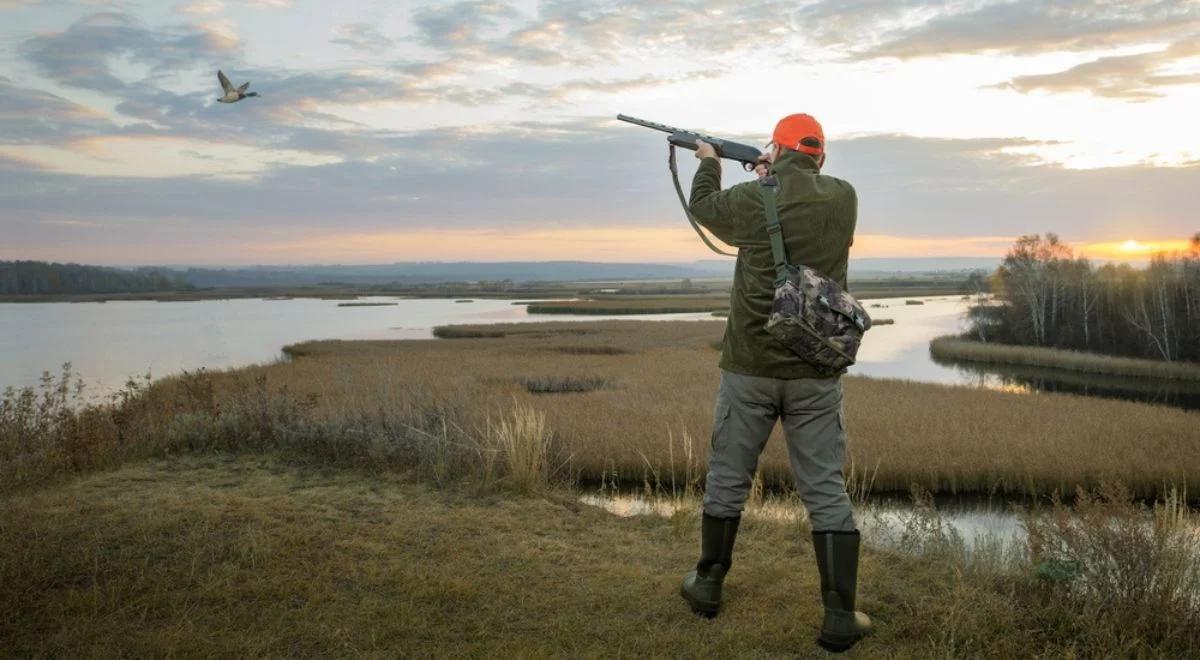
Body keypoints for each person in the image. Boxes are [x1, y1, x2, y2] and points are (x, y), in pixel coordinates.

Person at [678, 113, 872, 653]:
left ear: (775, 148)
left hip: (749, 368)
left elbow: (704, 209)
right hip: (815, 370)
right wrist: (772, 175)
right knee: (826, 491)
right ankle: (839, 617)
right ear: (821, 155)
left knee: (728, 478)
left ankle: (708, 586)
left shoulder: (751, 197)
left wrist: (709, 163)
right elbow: (800, 194)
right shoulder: (844, 197)